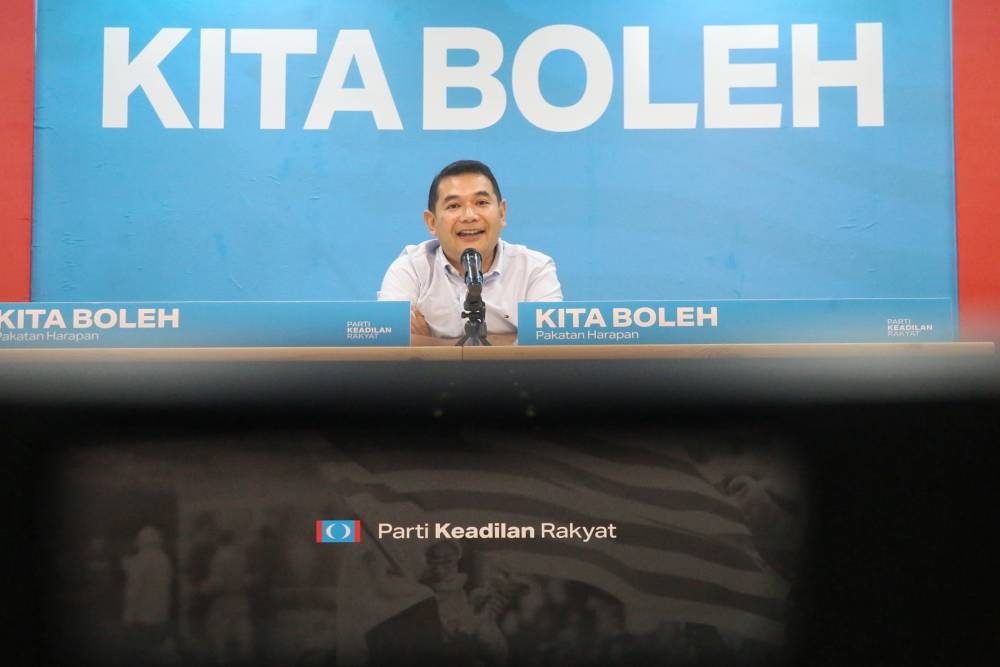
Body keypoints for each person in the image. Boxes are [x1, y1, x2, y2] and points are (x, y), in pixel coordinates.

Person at [378, 160, 563, 339]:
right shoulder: (411, 269)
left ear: (502, 213)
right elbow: (389, 340)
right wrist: (515, 337)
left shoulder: (534, 269)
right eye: (454, 206)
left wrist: (432, 343)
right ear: (432, 222)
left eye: (481, 203)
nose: (469, 216)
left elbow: (549, 344)